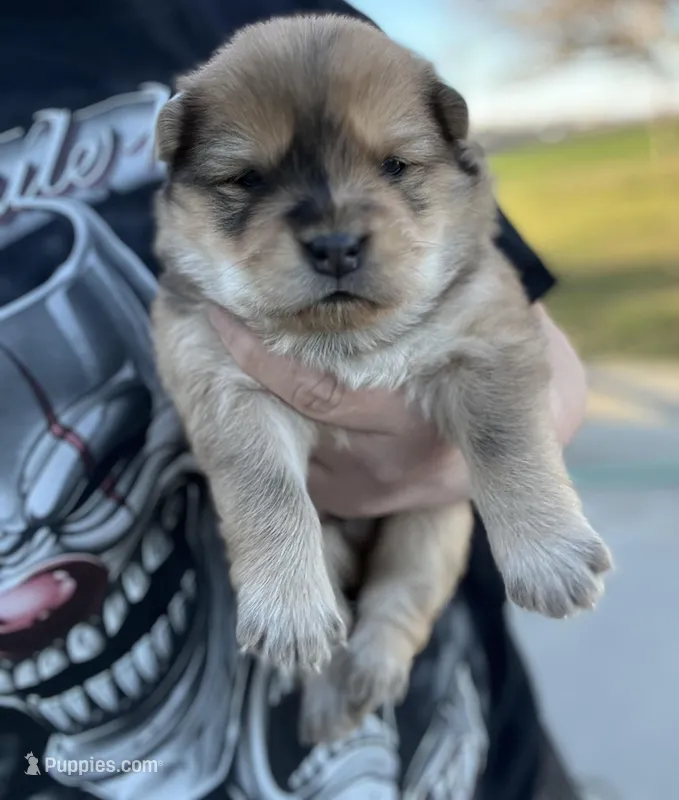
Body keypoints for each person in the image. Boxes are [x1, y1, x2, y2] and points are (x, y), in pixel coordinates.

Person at [0, 0, 590, 798]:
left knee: (424, 537)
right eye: (248, 179)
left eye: (393, 168)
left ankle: (386, 637)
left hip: (476, 758)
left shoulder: (266, 16)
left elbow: (529, 365)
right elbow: (229, 413)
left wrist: (506, 483)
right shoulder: (199, 290)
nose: (335, 230)